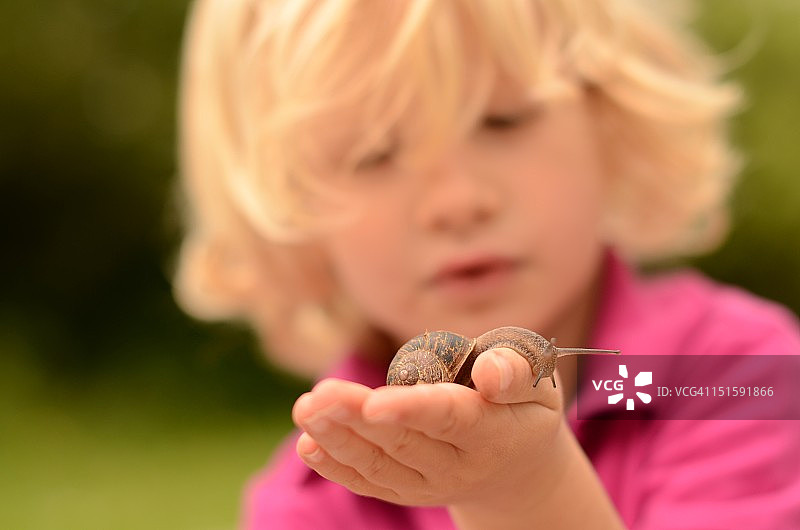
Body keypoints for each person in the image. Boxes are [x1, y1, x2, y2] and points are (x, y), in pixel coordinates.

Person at [172, 0, 800, 528]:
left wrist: (522, 490)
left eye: (503, 119)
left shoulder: (735, 379)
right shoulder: (317, 496)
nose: (457, 202)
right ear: (292, 214)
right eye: (372, 154)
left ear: (609, 120)